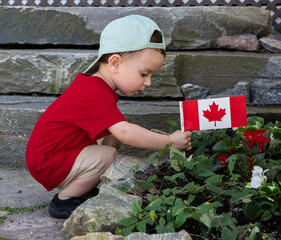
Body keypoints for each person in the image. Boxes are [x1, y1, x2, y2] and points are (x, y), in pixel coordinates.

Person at [25, 14, 192, 219]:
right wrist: (169, 142)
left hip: (56, 154)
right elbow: (125, 132)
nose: (148, 82)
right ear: (115, 63)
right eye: (143, 74)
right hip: (48, 161)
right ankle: (65, 201)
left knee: (110, 138)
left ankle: (86, 182)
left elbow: (117, 134)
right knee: (108, 154)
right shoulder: (93, 92)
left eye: (151, 76)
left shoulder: (96, 86)